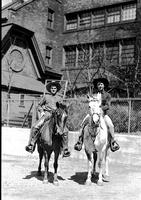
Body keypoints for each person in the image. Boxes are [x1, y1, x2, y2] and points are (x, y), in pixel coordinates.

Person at [25, 81, 71, 157]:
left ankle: (65, 149)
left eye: (55, 88)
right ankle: (31, 144)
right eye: (52, 88)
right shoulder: (46, 97)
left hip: (57, 116)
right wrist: (42, 111)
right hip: (47, 114)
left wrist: (64, 106)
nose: (53, 89)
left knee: (65, 130)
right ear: (50, 89)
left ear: (57, 89)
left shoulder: (59, 98)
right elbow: (39, 105)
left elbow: (62, 107)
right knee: (35, 126)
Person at [74, 77, 120, 152]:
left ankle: (113, 142)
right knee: (82, 124)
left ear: (104, 85)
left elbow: (108, 105)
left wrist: (101, 109)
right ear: (97, 86)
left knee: (111, 125)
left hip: (103, 115)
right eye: (98, 84)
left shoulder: (107, 95)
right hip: (92, 114)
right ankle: (79, 142)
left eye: (101, 84)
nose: (100, 86)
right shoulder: (93, 94)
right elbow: (90, 103)